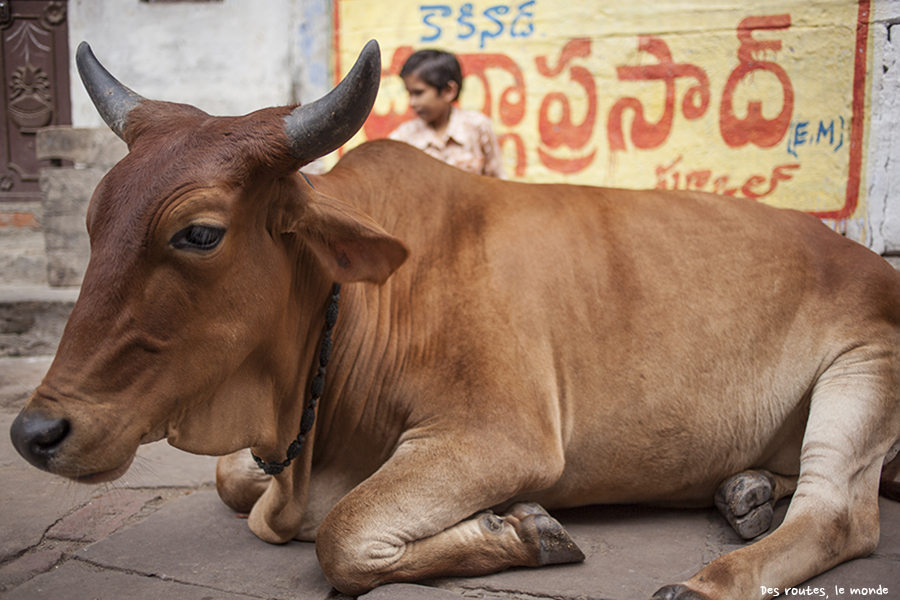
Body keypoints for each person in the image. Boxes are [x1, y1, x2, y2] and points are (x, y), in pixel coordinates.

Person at [389, 49, 506, 179]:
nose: (412, 102)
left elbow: (498, 182)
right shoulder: (403, 137)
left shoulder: (477, 127)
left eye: (418, 93)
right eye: (409, 93)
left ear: (448, 91)